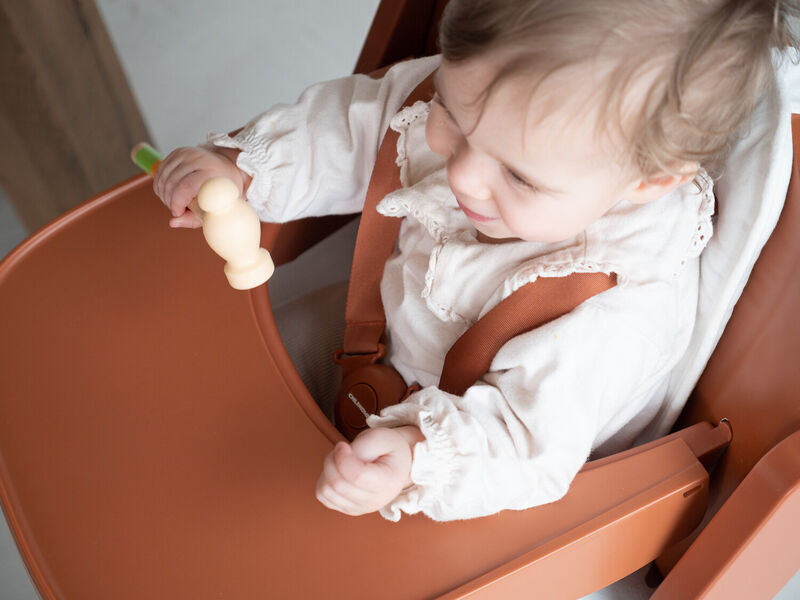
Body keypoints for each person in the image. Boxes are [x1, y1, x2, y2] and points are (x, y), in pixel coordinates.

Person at [153, 0, 798, 521]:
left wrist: (419, 458)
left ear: (649, 180)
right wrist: (244, 169)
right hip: (381, 347)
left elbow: (525, 442)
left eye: (519, 177)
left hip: (481, 466)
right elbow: (364, 122)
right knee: (180, 381)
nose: (462, 174)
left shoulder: (615, 310)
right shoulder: (498, 106)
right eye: (452, 118)